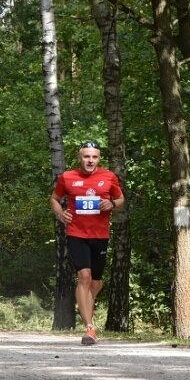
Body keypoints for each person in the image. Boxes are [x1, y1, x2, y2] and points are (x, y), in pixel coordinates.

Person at [50, 141, 125, 345]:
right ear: (79, 157)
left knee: (96, 283)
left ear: (99, 158)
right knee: (84, 276)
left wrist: (111, 204)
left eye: (94, 157)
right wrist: (60, 214)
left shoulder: (108, 177)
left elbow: (120, 200)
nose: (90, 160)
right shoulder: (67, 177)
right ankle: (90, 328)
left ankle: (85, 305)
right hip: (76, 233)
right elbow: (54, 199)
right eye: (86, 156)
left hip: (100, 235)